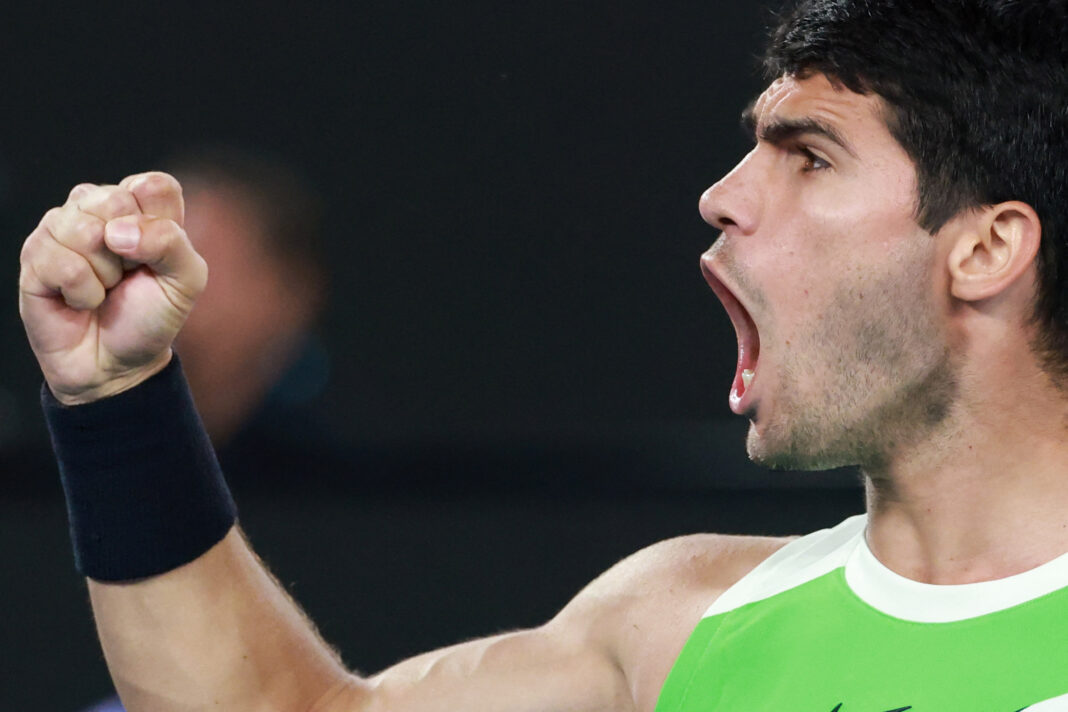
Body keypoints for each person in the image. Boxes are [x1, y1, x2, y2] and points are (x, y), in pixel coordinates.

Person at [16, 0, 1068, 709]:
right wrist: (118, 399)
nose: (721, 196)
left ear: (984, 248)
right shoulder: (674, 619)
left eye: (810, 156)